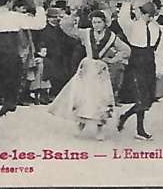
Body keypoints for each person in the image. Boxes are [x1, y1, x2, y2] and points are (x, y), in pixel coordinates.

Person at [0, 0, 47, 146]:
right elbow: (39, 24)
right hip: (11, 61)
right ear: (8, 3)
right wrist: (40, 5)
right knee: (11, 98)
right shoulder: (16, 17)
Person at [50, 10, 130, 140]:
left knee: (100, 99)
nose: (96, 25)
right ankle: (80, 124)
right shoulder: (86, 33)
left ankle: (100, 128)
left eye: (99, 22)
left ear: (105, 23)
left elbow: (126, 50)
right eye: (94, 22)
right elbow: (66, 27)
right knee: (83, 97)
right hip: (87, 68)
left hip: (100, 70)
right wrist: (74, 14)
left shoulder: (112, 37)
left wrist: (112, 59)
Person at [115, 0, 163, 141]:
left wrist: (159, 69)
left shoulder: (157, 29)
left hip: (150, 64)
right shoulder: (132, 26)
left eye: (152, 16)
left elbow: (160, 50)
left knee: (147, 100)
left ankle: (125, 116)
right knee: (140, 98)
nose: (149, 18)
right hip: (136, 64)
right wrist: (128, 2)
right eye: (147, 15)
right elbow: (122, 19)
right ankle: (140, 130)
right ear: (141, 13)